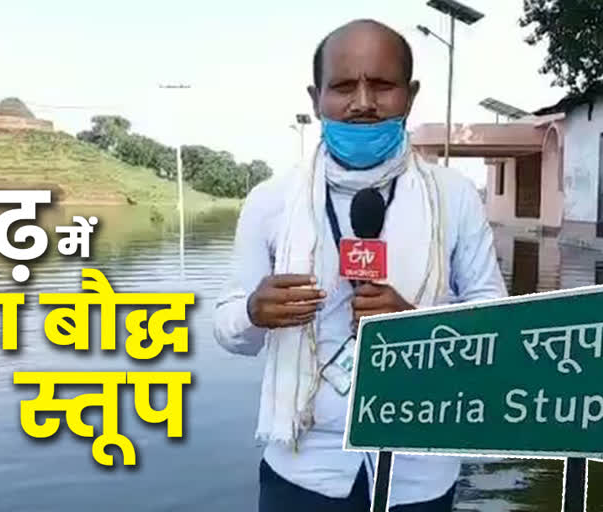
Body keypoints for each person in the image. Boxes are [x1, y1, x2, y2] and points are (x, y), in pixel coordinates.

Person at [213, 18, 507, 512]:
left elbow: (494, 320)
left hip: (420, 471)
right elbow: (227, 328)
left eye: (383, 85)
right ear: (316, 98)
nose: (364, 102)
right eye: (344, 86)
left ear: (410, 96)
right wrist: (252, 311)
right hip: (303, 467)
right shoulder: (271, 202)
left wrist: (418, 327)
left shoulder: (453, 197)